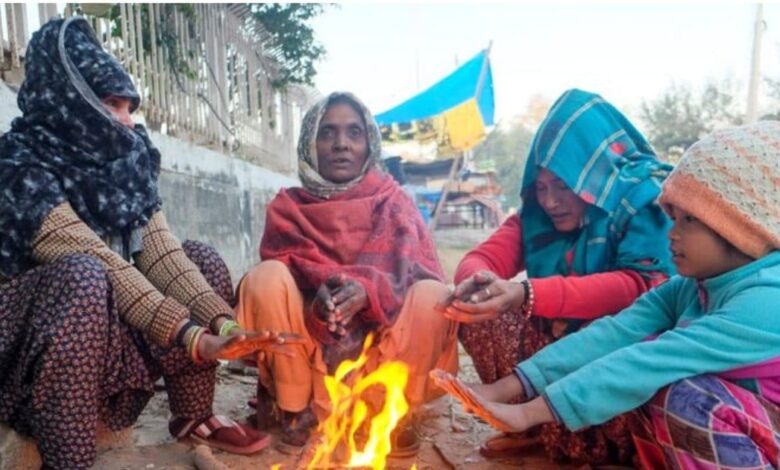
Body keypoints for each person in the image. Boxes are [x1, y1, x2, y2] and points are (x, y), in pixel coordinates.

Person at [0, 17, 298, 469]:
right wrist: (192, 337)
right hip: (27, 358)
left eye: (129, 106)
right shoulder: (18, 164)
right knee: (83, 277)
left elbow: (162, 255)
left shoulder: (126, 162)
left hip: (98, 336)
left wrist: (226, 328)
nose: (126, 120)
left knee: (200, 259)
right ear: (69, 100)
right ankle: (67, 459)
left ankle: (193, 417)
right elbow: (98, 260)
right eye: (111, 104)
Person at [434, 120, 780, 469]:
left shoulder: (766, 303)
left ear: (738, 226)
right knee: (656, 387)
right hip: (753, 422)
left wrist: (527, 413)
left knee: (685, 397)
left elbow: (649, 361)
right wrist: (502, 390)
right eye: (673, 217)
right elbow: (615, 333)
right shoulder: (694, 287)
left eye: (688, 220)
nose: (671, 234)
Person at [439, 89, 674, 463]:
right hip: (557, 347)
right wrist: (478, 283)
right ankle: (536, 431)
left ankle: (592, 443)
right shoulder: (536, 214)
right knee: (477, 314)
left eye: (565, 186)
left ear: (594, 177)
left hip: (620, 346)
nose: (550, 201)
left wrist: (526, 294)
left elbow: (639, 288)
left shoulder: (644, 201)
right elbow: (483, 257)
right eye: (542, 187)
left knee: (619, 346)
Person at [235, 91, 459, 455]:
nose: (341, 144)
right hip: (311, 357)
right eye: (328, 133)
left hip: (383, 355)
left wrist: (369, 293)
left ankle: (393, 412)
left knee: (434, 295)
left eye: (354, 133)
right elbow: (286, 277)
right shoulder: (288, 208)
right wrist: (319, 300)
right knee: (265, 276)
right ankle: (295, 411)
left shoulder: (395, 203)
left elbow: (418, 275)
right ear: (310, 143)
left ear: (370, 143)